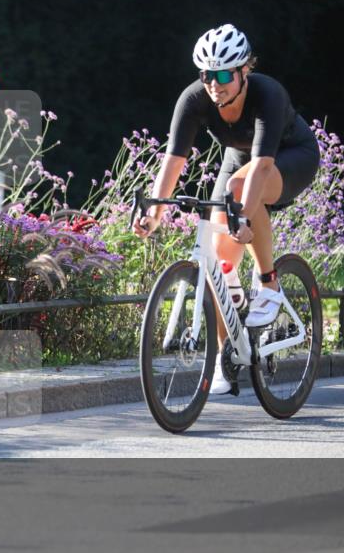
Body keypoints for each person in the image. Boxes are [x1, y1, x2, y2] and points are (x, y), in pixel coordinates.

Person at [133, 24, 321, 394]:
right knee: (220, 263)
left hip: (290, 156)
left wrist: (244, 217)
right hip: (238, 160)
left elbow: (262, 168)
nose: (214, 84)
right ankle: (228, 356)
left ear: (244, 70)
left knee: (239, 194)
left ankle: (269, 284)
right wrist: (155, 214)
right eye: (207, 75)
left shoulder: (267, 94)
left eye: (223, 76)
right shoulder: (194, 99)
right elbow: (173, 161)